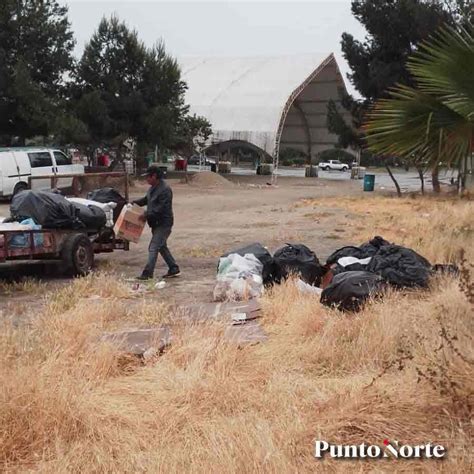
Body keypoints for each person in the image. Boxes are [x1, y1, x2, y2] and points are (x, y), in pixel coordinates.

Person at [133, 166, 180, 280]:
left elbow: (161, 209)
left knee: (153, 247)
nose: (146, 180)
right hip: (156, 223)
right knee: (161, 246)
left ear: (154, 176)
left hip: (164, 223)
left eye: (147, 177)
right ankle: (173, 268)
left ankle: (148, 273)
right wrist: (133, 203)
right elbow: (146, 200)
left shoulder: (165, 190)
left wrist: (146, 215)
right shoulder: (153, 188)